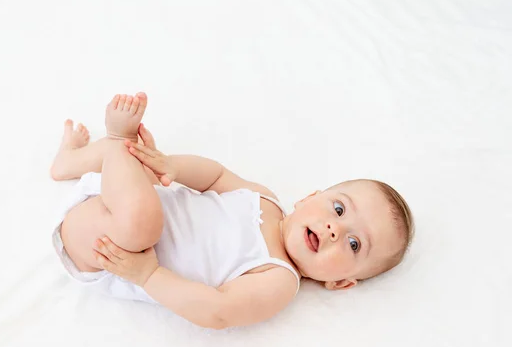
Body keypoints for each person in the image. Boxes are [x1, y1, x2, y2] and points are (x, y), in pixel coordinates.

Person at [50, 92, 414, 330]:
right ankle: (71, 163)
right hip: (115, 197)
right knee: (141, 166)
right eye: (338, 208)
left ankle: (116, 143)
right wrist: (170, 166)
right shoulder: (265, 200)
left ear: (341, 283)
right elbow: (215, 176)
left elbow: (218, 310)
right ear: (309, 197)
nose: (335, 229)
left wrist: (148, 275)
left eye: (354, 244)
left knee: (144, 224)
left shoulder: (279, 279)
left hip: (109, 250)